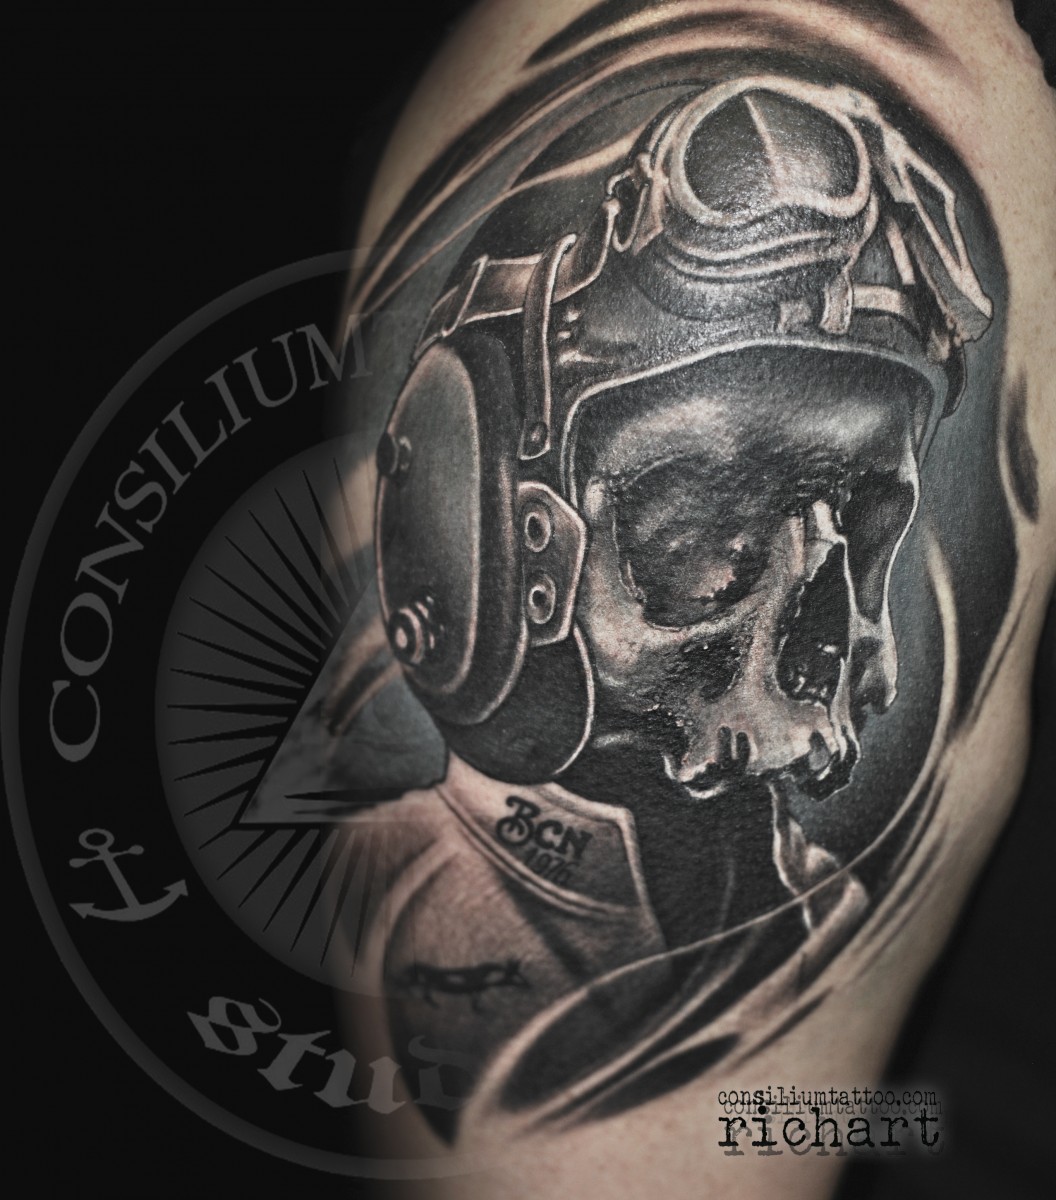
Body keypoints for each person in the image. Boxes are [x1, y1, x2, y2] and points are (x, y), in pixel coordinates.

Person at [316, 2, 1055, 1195]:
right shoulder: (474, 932)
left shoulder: (790, 906)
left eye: (870, 528)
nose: (829, 657)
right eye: (713, 542)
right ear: (503, 541)